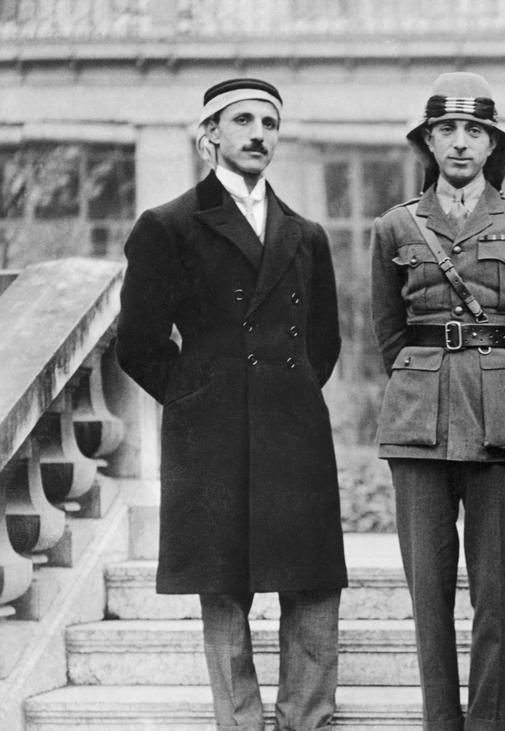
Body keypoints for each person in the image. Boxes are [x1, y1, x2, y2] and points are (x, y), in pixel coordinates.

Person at [117, 77, 345, 731]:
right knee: (223, 583)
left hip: (295, 429)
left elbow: (324, 341)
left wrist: (288, 392)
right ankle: (239, 722)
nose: (258, 134)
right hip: (210, 432)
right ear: (210, 134)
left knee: (312, 579)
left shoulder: (306, 234)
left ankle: (307, 718)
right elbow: (138, 343)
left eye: (269, 123)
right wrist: (198, 396)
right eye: (242, 120)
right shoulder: (167, 226)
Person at [369, 72, 505, 731]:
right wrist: (424, 382)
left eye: (473, 131)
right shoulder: (396, 226)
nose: (459, 142)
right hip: (417, 425)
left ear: (492, 144)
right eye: (446, 130)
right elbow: (388, 332)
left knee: (494, 594)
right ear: (427, 142)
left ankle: (484, 722)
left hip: (502, 425)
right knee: (428, 595)